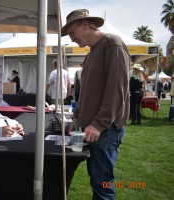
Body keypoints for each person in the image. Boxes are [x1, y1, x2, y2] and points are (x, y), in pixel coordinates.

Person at [62, 9, 130, 199]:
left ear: (86, 24)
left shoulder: (112, 44)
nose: (72, 38)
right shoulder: (91, 53)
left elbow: (116, 89)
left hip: (105, 129)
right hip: (93, 127)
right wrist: (76, 117)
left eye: (72, 32)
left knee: (102, 183)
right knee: (98, 178)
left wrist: (99, 123)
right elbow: (86, 92)